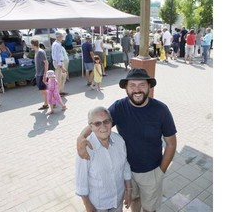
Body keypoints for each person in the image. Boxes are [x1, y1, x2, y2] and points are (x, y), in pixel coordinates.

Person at [77, 68, 177, 212]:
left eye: (142, 85)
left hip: (152, 172)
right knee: (134, 201)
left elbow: (171, 143)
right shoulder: (119, 107)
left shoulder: (161, 110)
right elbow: (100, 121)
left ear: (149, 86)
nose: (137, 90)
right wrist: (81, 137)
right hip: (126, 171)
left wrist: (161, 171)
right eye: (132, 85)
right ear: (126, 88)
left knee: (150, 209)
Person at [76, 106, 132, 212]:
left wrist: (129, 190)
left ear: (111, 122)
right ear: (90, 127)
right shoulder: (85, 149)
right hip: (98, 205)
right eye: (97, 123)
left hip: (118, 200)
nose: (103, 126)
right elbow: (81, 181)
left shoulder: (119, 141)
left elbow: (125, 166)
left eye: (106, 121)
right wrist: (87, 205)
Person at [31, 39, 49, 110]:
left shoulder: (40, 52)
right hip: (38, 74)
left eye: (31, 44)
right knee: (42, 90)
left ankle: (48, 102)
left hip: (42, 74)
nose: (30, 46)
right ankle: (48, 102)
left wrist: (45, 74)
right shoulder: (36, 52)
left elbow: (46, 63)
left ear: (33, 44)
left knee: (43, 90)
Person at [52, 31, 68, 96]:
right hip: (59, 63)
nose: (62, 38)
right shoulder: (57, 45)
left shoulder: (57, 44)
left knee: (62, 77)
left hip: (59, 63)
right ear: (58, 37)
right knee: (59, 78)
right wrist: (61, 66)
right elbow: (57, 56)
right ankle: (57, 93)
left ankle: (60, 91)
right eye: (61, 36)